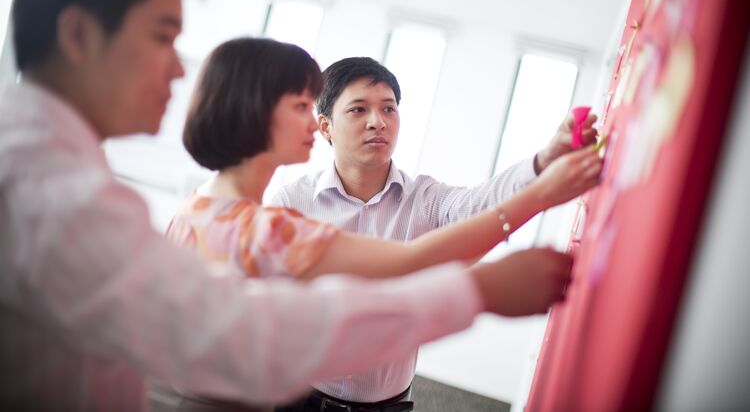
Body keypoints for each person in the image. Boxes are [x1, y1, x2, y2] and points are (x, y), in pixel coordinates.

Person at [0, 0, 582, 411]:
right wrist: (481, 286)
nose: (178, 70)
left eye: (389, 108)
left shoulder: (100, 183)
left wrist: (535, 180)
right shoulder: (71, 194)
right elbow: (259, 332)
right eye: (162, 36)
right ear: (77, 34)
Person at [167, 38, 602, 411]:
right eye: (301, 105)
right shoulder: (270, 221)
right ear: (258, 115)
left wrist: (542, 167)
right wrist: (540, 199)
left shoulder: (199, 209)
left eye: (389, 108)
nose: (378, 121)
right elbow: (406, 266)